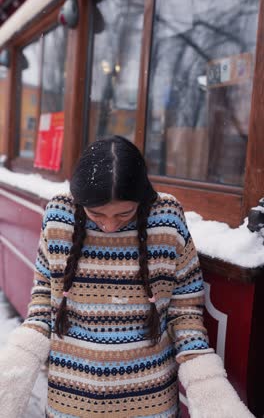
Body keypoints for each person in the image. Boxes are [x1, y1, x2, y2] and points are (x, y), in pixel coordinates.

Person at [0, 136, 253, 418]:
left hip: (151, 403)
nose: (109, 226)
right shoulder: (60, 215)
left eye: (124, 214)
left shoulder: (167, 218)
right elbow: (44, 302)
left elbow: (185, 313)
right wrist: (14, 372)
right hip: (70, 402)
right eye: (96, 213)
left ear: (141, 197)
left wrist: (208, 385)